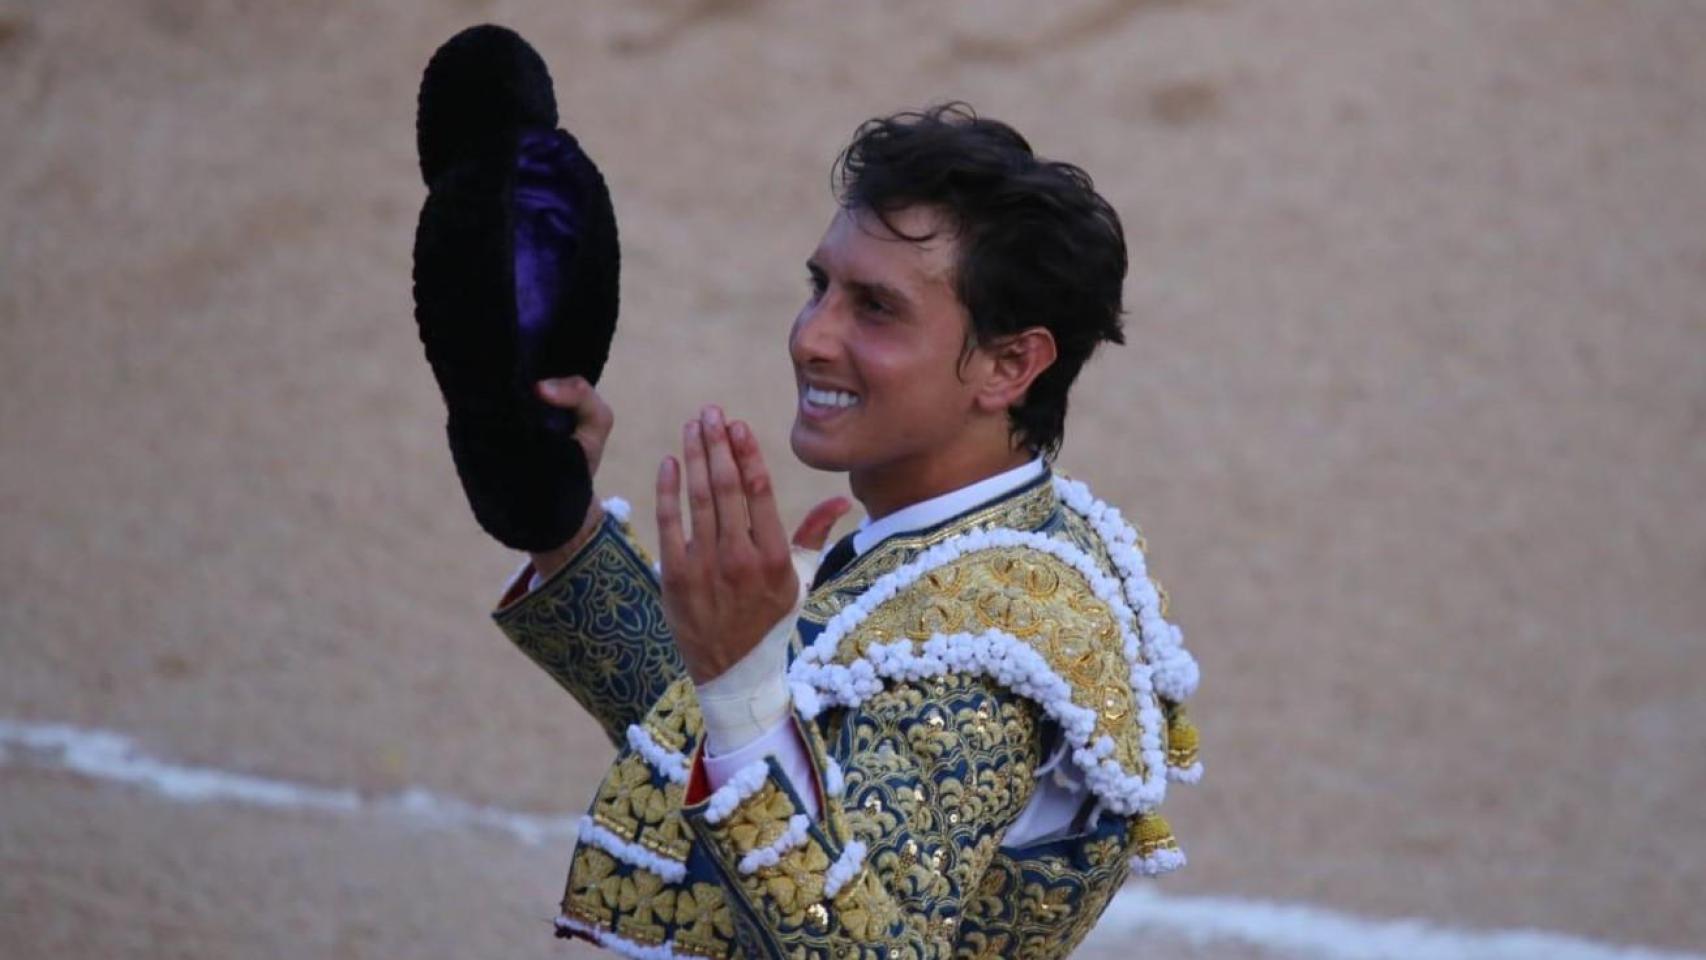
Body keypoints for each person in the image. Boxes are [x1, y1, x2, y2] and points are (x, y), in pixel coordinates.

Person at [491, 103, 1200, 959]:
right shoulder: (990, 548)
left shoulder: (987, 650)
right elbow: (719, 742)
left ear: (1010, 364)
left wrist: (740, 678)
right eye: (819, 286)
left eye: (875, 308)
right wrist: (561, 526)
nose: (811, 335)